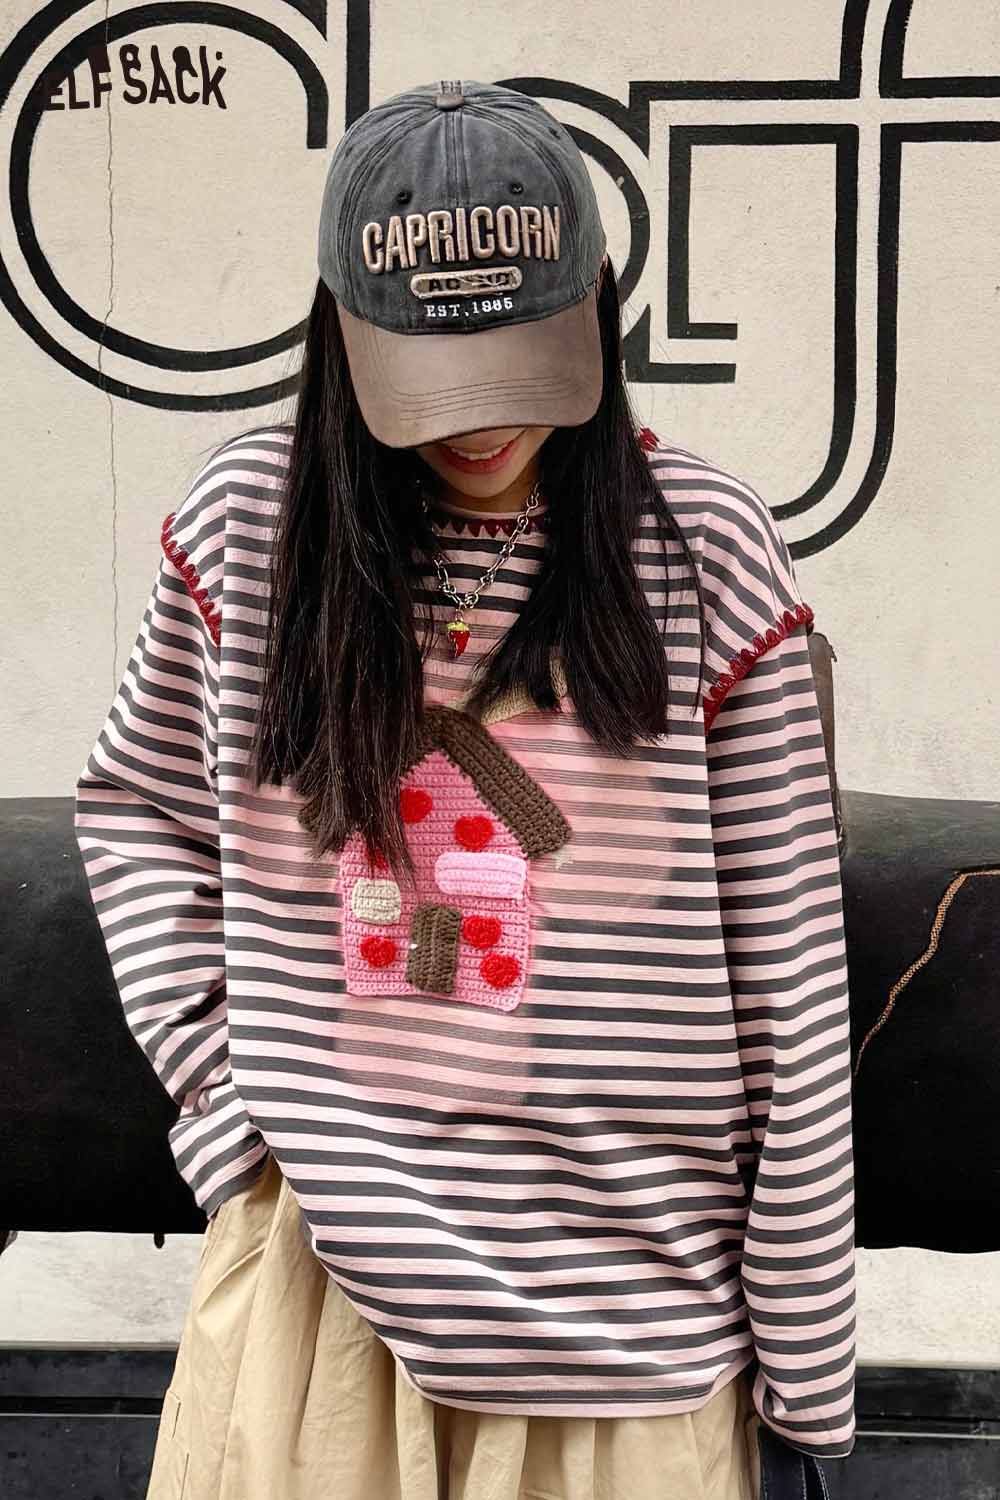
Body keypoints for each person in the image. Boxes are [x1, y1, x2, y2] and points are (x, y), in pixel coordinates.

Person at [75, 78, 856, 1500]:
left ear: (596, 305)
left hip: (633, 1323)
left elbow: (789, 976)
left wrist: (805, 1359)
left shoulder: (706, 552)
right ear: (340, 334)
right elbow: (140, 809)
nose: (479, 426)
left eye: (518, 361)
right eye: (432, 374)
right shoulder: (253, 528)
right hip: (324, 1295)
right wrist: (231, 1106)